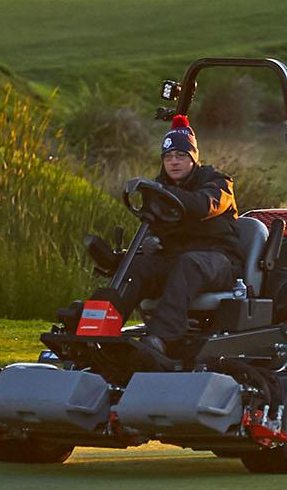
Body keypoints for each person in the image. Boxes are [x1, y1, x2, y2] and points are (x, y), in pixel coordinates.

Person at [98, 114, 240, 356]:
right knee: (138, 266)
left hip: (218, 260)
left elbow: (202, 206)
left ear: (193, 158)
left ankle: (163, 338)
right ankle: (97, 329)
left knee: (188, 264)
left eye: (181, 156)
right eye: (168, 157)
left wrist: (163, 191)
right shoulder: (160, 188)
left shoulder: (218, 183)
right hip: (177, 258)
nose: (174, 162)